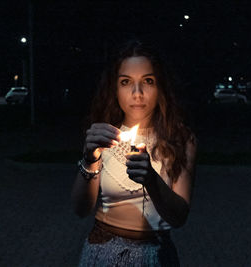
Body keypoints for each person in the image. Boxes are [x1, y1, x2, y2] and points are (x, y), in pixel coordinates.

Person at [71, 40, 197, 266]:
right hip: (102, 252)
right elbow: (81, 209)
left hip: (154, 256)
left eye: (147, 81)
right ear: (114, 88)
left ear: (160, 88)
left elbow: (179, 217)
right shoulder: (103, 135)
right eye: (126, 82)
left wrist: (151, 179)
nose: (137, 93)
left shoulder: (180, 140)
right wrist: (90, 159)